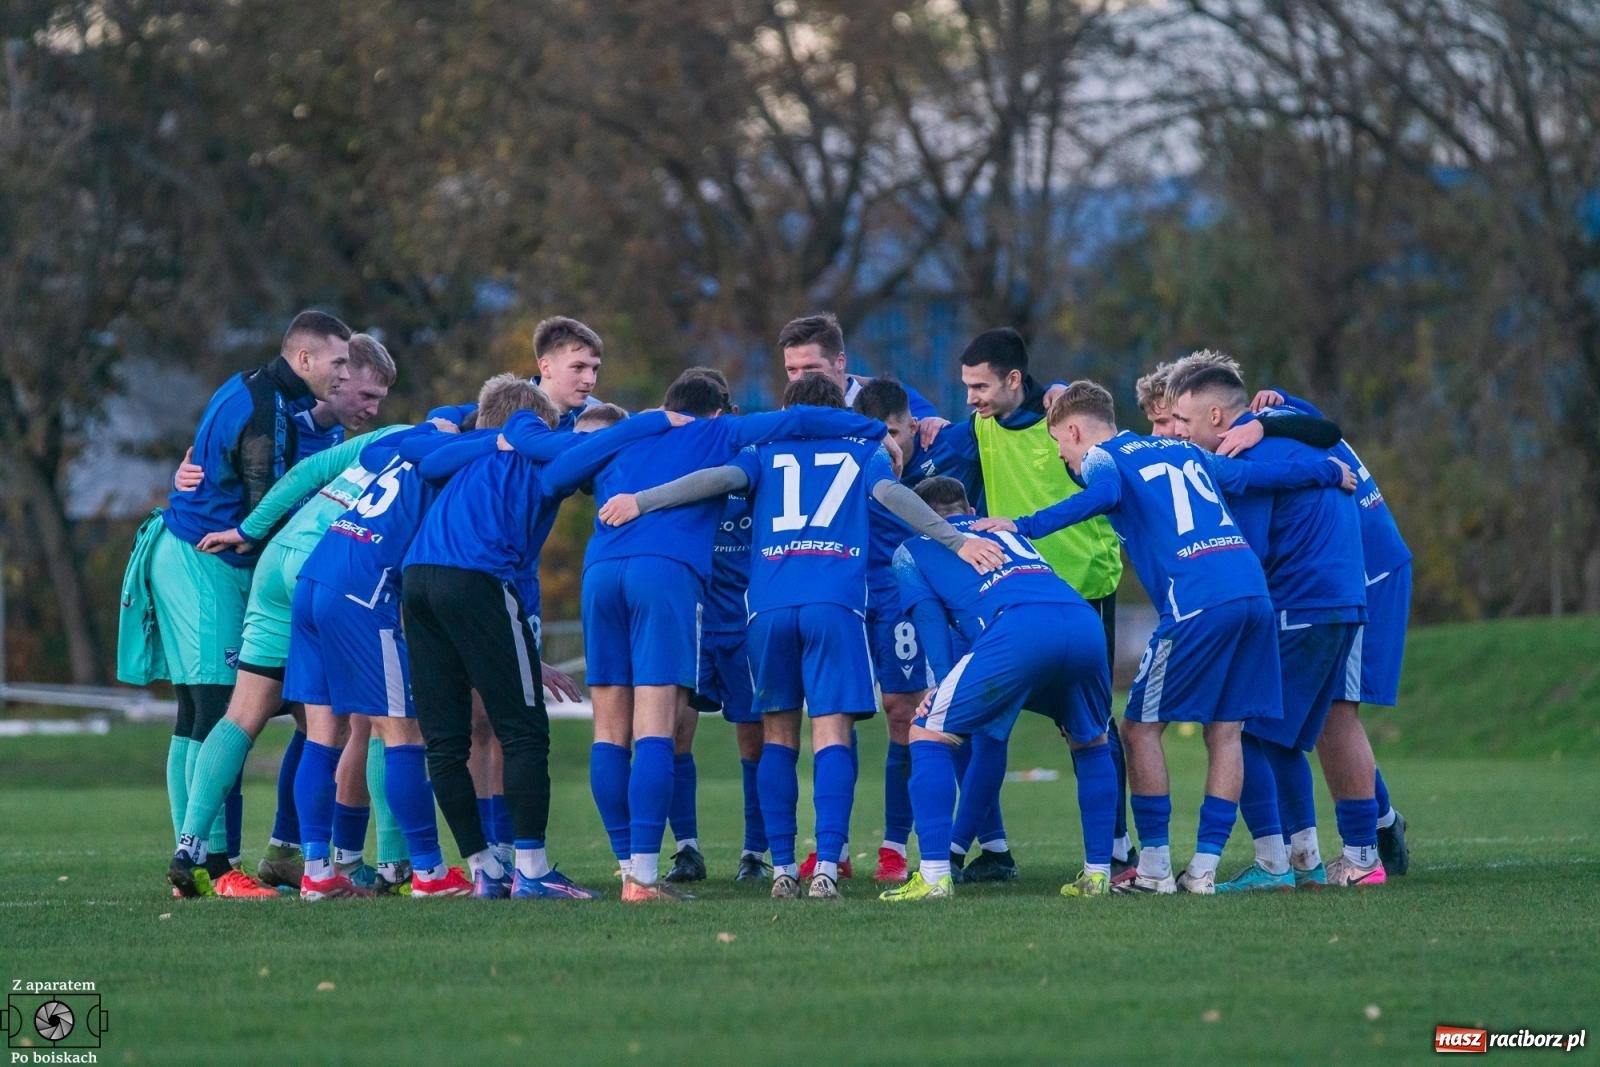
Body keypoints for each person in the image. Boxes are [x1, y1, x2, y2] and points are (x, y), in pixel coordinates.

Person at [599, 373, 1006, 901]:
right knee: (832, 735)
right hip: (834, 605)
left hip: (768, 609)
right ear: (838, 409)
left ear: (789, 410)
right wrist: (955, 541)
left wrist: (642, 501)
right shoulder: (862, 450)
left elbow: (713, 480)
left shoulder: (764, 449)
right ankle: (826, 871)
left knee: (779, 739)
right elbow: (892, 496)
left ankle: (785, 867)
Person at [976, 381, 1356, 894]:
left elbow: (1106, 493)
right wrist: (1327, 471)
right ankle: (1202, 870)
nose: (1066, 460)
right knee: (1225, 732)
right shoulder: (1180, 449)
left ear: (1073, 431)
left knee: (1138, 729)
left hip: (1197, 599)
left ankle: (1154, 870)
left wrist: (1022, 525)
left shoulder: (1102, 458)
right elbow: (1252, 477)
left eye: (1062, 448)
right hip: (1251, 593)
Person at [544, 371, 892, 902]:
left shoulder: (631, 431)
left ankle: (626, 865)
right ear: (717, 411)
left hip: (600, 573)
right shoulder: (722, 434)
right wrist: (869, 427)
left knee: (610, 732)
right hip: (668, 575)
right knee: (658, 729)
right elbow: (797, 418)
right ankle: (643, 877)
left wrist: (639, 429)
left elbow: (554, 478)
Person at [163, 336, 403, 897]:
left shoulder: (362, 438)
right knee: (360, 723)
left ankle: (197, 848)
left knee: (244, 714)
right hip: (305, 570)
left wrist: (248, 533)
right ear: (325, 371)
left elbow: (296, 480)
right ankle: (355, 865)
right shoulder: (272, 409)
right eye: (355, 382)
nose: (372, 407)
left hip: (270, 564)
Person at [126, 310, 351, 883]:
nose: (346, 378)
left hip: (196, 555)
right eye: (340, 363)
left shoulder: (254, 389)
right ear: (305, 360)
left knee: (200, 712)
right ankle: (215, 865)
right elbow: (260, 507)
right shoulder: (270, 412)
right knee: (213, 710)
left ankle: (207, 860)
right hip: (205, 561)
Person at [1167, 357, 1377, 889]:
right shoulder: (1294, 439)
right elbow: (1325, 431)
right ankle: (1313, 860)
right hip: (1341, 601)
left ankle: (1275, 865)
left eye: (1183, 423)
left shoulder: (1246, 448)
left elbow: (1250, 553)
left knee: (1240, 729)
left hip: (1298, 604)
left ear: (1217, 416)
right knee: (1281, 739)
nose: (1178, 434)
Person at [399, 378, 608, 901]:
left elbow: (422, 455)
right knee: (524, 730)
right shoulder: (537, 457)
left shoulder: (463, 458)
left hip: (417, 579)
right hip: (478, 578)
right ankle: (532, 870)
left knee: (444, 741)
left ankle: (483, 869)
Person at [881, 476, 1116, 901]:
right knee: (1092, 741)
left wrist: (938, 685)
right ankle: (1098, 874)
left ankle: (934, 876)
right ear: (969, 511)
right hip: (1082, 622)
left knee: (928, 732)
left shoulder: (912, 549)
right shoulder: (1000, 529)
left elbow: (930, 622)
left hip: (1019, 627)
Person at [1219, 386, 1413, 874]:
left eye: (1171, 419)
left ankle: (1361, 854)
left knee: (1333, 715)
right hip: (1345, 574)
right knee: (1320, 713)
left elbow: (1325, 431)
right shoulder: (1280, 417)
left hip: (1361, 574)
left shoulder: (1266, 428)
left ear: (1215, 409)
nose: (1169, 432)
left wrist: (1263, 423)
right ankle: (1382, 822)